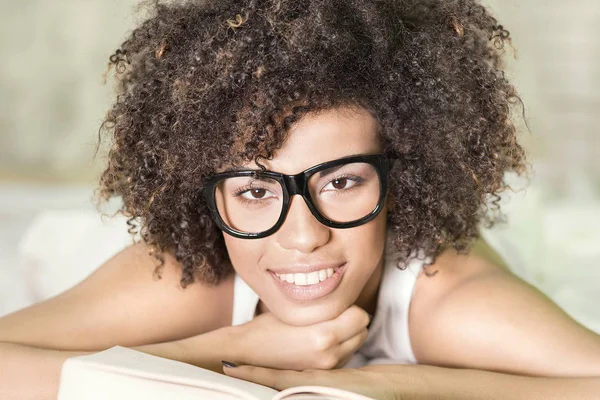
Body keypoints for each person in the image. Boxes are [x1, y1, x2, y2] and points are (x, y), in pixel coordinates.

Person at [1, 0, 599, 399]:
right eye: (257, 190)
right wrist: (230, 348)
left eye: (340, 183)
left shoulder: (447, 299)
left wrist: (397, 385)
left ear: (403, 179)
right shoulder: (187, 275)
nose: (303, 236)